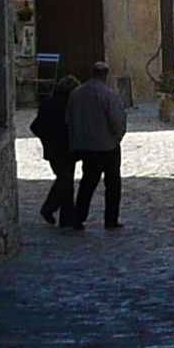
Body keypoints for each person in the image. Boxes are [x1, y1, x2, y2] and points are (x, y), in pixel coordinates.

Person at [63, 62, 127, 229]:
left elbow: (68, 119)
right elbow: (117, 120)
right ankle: (110, 219)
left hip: (86, 146)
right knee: (112, 185)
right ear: (105, 75)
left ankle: (78, 218)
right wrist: (117, 138)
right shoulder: (108, 94)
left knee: (87, 184)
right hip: (107, 146)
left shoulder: (76, 93)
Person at [30, 78, 75, 228]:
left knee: (65, 180)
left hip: (54, 149)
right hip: (67, 148)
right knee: (65, 179)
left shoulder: (47, 104)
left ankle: (65, 217)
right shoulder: (70, 106)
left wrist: (46, 139)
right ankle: (50, 208)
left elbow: (35, 126)